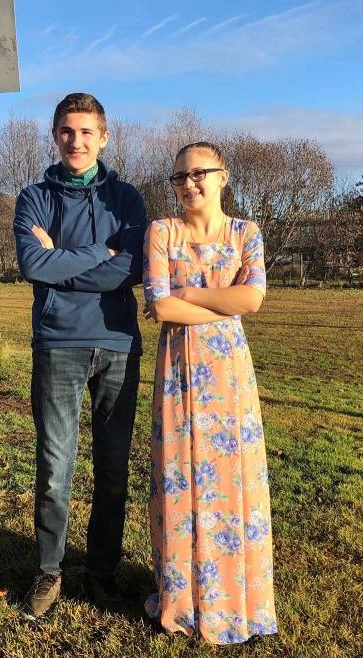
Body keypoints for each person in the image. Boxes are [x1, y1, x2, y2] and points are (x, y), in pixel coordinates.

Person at [13, 93, 147, 617]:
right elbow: (33, 265)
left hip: (118, 344)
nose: (77, 141)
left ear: (104, 137)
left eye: (87, 131)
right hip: (58, 343)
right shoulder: (33, 198)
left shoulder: (127, 199)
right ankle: (49, 571)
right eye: (68, 131)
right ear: (55, 135)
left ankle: (102, 572)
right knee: (54, 468)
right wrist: (98, 253)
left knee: (113, 469)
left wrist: (62, 261)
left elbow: (131, 269)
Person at [142, 142, 278, 644]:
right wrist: (220, 304)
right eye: (180, 176)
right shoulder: (162, 232)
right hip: (178, 372)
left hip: (229, 377)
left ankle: (233, 602)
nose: (189, 183)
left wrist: (189, 294)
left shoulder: (246, 233)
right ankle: (184, 603)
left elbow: (253, 298)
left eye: (200, 173)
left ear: (223, 177)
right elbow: (161, 308)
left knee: (232, 480)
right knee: (180, 480)